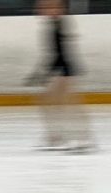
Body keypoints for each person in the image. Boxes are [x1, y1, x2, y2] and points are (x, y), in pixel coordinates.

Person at [27, 0, 95, 151]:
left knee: (66, 105)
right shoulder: (53, 25)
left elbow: (61, 53)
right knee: (52, 103)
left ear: (60, 9)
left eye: (49, 7)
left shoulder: (60, 24)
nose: (44, 11)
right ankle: (58, 138)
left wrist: (46, 74)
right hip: (62, 70)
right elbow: (55, 53)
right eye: (43, 8)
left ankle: (81, 139)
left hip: (65, 71)